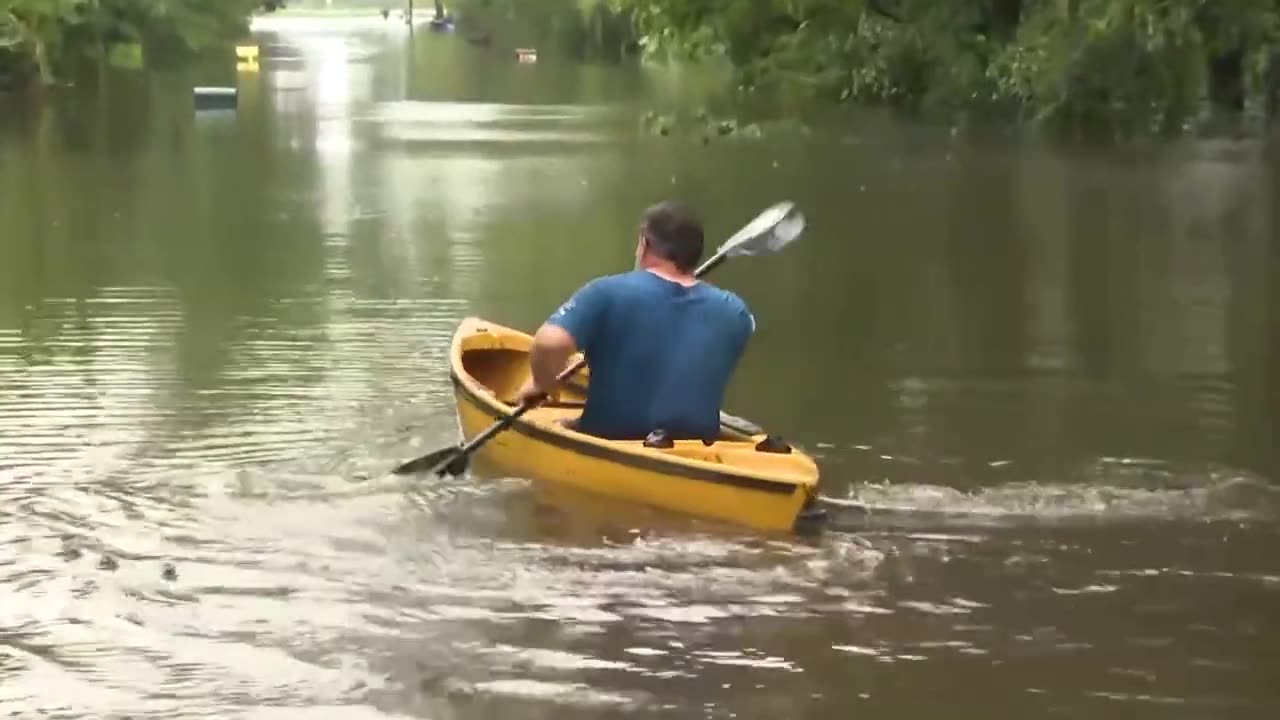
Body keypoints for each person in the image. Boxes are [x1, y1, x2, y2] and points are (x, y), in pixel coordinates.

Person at [514, 201, 756, 441]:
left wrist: (542, 383)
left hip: (612, 438)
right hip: (700, 446)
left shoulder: (605, 292)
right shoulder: (736, 312)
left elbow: (547, 343)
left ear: (644, 244)